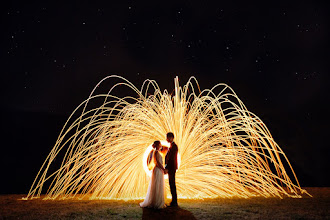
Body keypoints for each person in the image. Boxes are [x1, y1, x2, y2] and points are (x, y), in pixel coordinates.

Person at [140, 141, 167, 209]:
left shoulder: (156, 152)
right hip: (158, 170)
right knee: (157, 186)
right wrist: (163, 169)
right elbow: (157, 162)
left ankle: (156, 201)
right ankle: (157, 202)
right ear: (157, 145)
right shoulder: (157, 152)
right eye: (160, 144)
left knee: (157, 186)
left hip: (158, 170)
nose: (161, 145)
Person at [165, 132, 178, 207]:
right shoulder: (171, 146)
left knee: (172, 184)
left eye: (167, 137)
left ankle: (174, 202)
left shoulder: (174, 146)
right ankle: (174, 201)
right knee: (171, 184)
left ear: (171, 138)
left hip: (171, 168)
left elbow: (171, 159)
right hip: (171, 168)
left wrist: (167, 168)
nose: (166, 139)